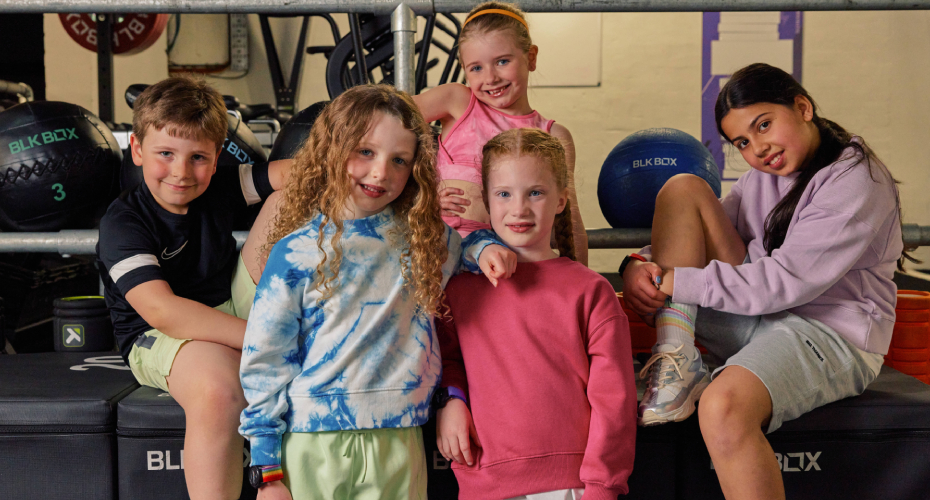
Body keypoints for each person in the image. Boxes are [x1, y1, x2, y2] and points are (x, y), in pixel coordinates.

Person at [621, 63, 910, 499]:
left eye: (764, 125)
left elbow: (784, 282)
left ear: (802, 107)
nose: (758, 148)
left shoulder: (856, 180)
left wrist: (675, 283)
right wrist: (640, 266)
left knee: (723, 407)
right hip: (761, 315)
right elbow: (697, 229)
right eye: (743, 141)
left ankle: (696, 375)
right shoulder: (765, 175)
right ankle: (675, 356)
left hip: (831, 335)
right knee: (683, 189)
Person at [237, 84, 517, 500]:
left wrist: (487, 246)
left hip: (399, 438)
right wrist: (268, 472)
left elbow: (465, 249)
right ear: (333, 148)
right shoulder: (294, 253)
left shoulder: (423, 239)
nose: (380, 172)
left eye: (399, 160)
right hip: (312, 443)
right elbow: (264, 362)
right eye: (365, 152)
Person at [96, 76, 291, 500]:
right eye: (166, 153)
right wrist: (265, 338)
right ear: (137, 149)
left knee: (288, 197)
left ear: (216, 156)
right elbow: (164, 311)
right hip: (158, 333)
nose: (181, 173)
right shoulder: (123, 222)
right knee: (220, 390)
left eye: (198, 157)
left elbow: (302, 170)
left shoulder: (219, 185)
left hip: (229, 306)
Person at [436, 128, 636, 500]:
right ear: (486, 200)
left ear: (561, 200)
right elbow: (446, 360)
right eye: (504, 194)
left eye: (536, 193)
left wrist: (602, 485)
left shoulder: (591, 291)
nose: (519, 209)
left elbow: (615, 401)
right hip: (484, 483)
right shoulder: (460, 290)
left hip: (574, 485)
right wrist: (451, 401)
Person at [412, 1, 589, 264]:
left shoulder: (554, 135)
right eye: (476, 68)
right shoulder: (456, 101)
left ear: (530, 57)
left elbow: (569, 219)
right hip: (443, 261)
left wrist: (580, 278)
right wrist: (419, 195)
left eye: (502, 61)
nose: (491, 78)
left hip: (514, 268)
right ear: (464, 68)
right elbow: (383, 124)